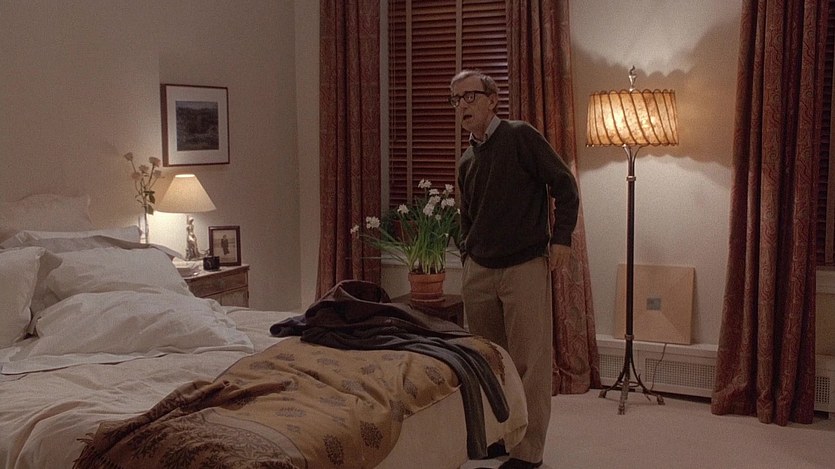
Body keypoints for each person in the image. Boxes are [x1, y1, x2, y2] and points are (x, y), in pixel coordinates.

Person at [451, 70, 579, 469]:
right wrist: (467, 254)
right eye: (455, 99)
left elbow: (565, 185)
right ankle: (499, 436)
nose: (462, 106)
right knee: (489, 362)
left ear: (492, 99)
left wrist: (561, 238)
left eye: (470, 96)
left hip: (523, 265)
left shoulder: (520, 136)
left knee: (529, 363)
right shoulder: (467, 160)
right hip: (479, 271)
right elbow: (465, 217)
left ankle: (528, 451)